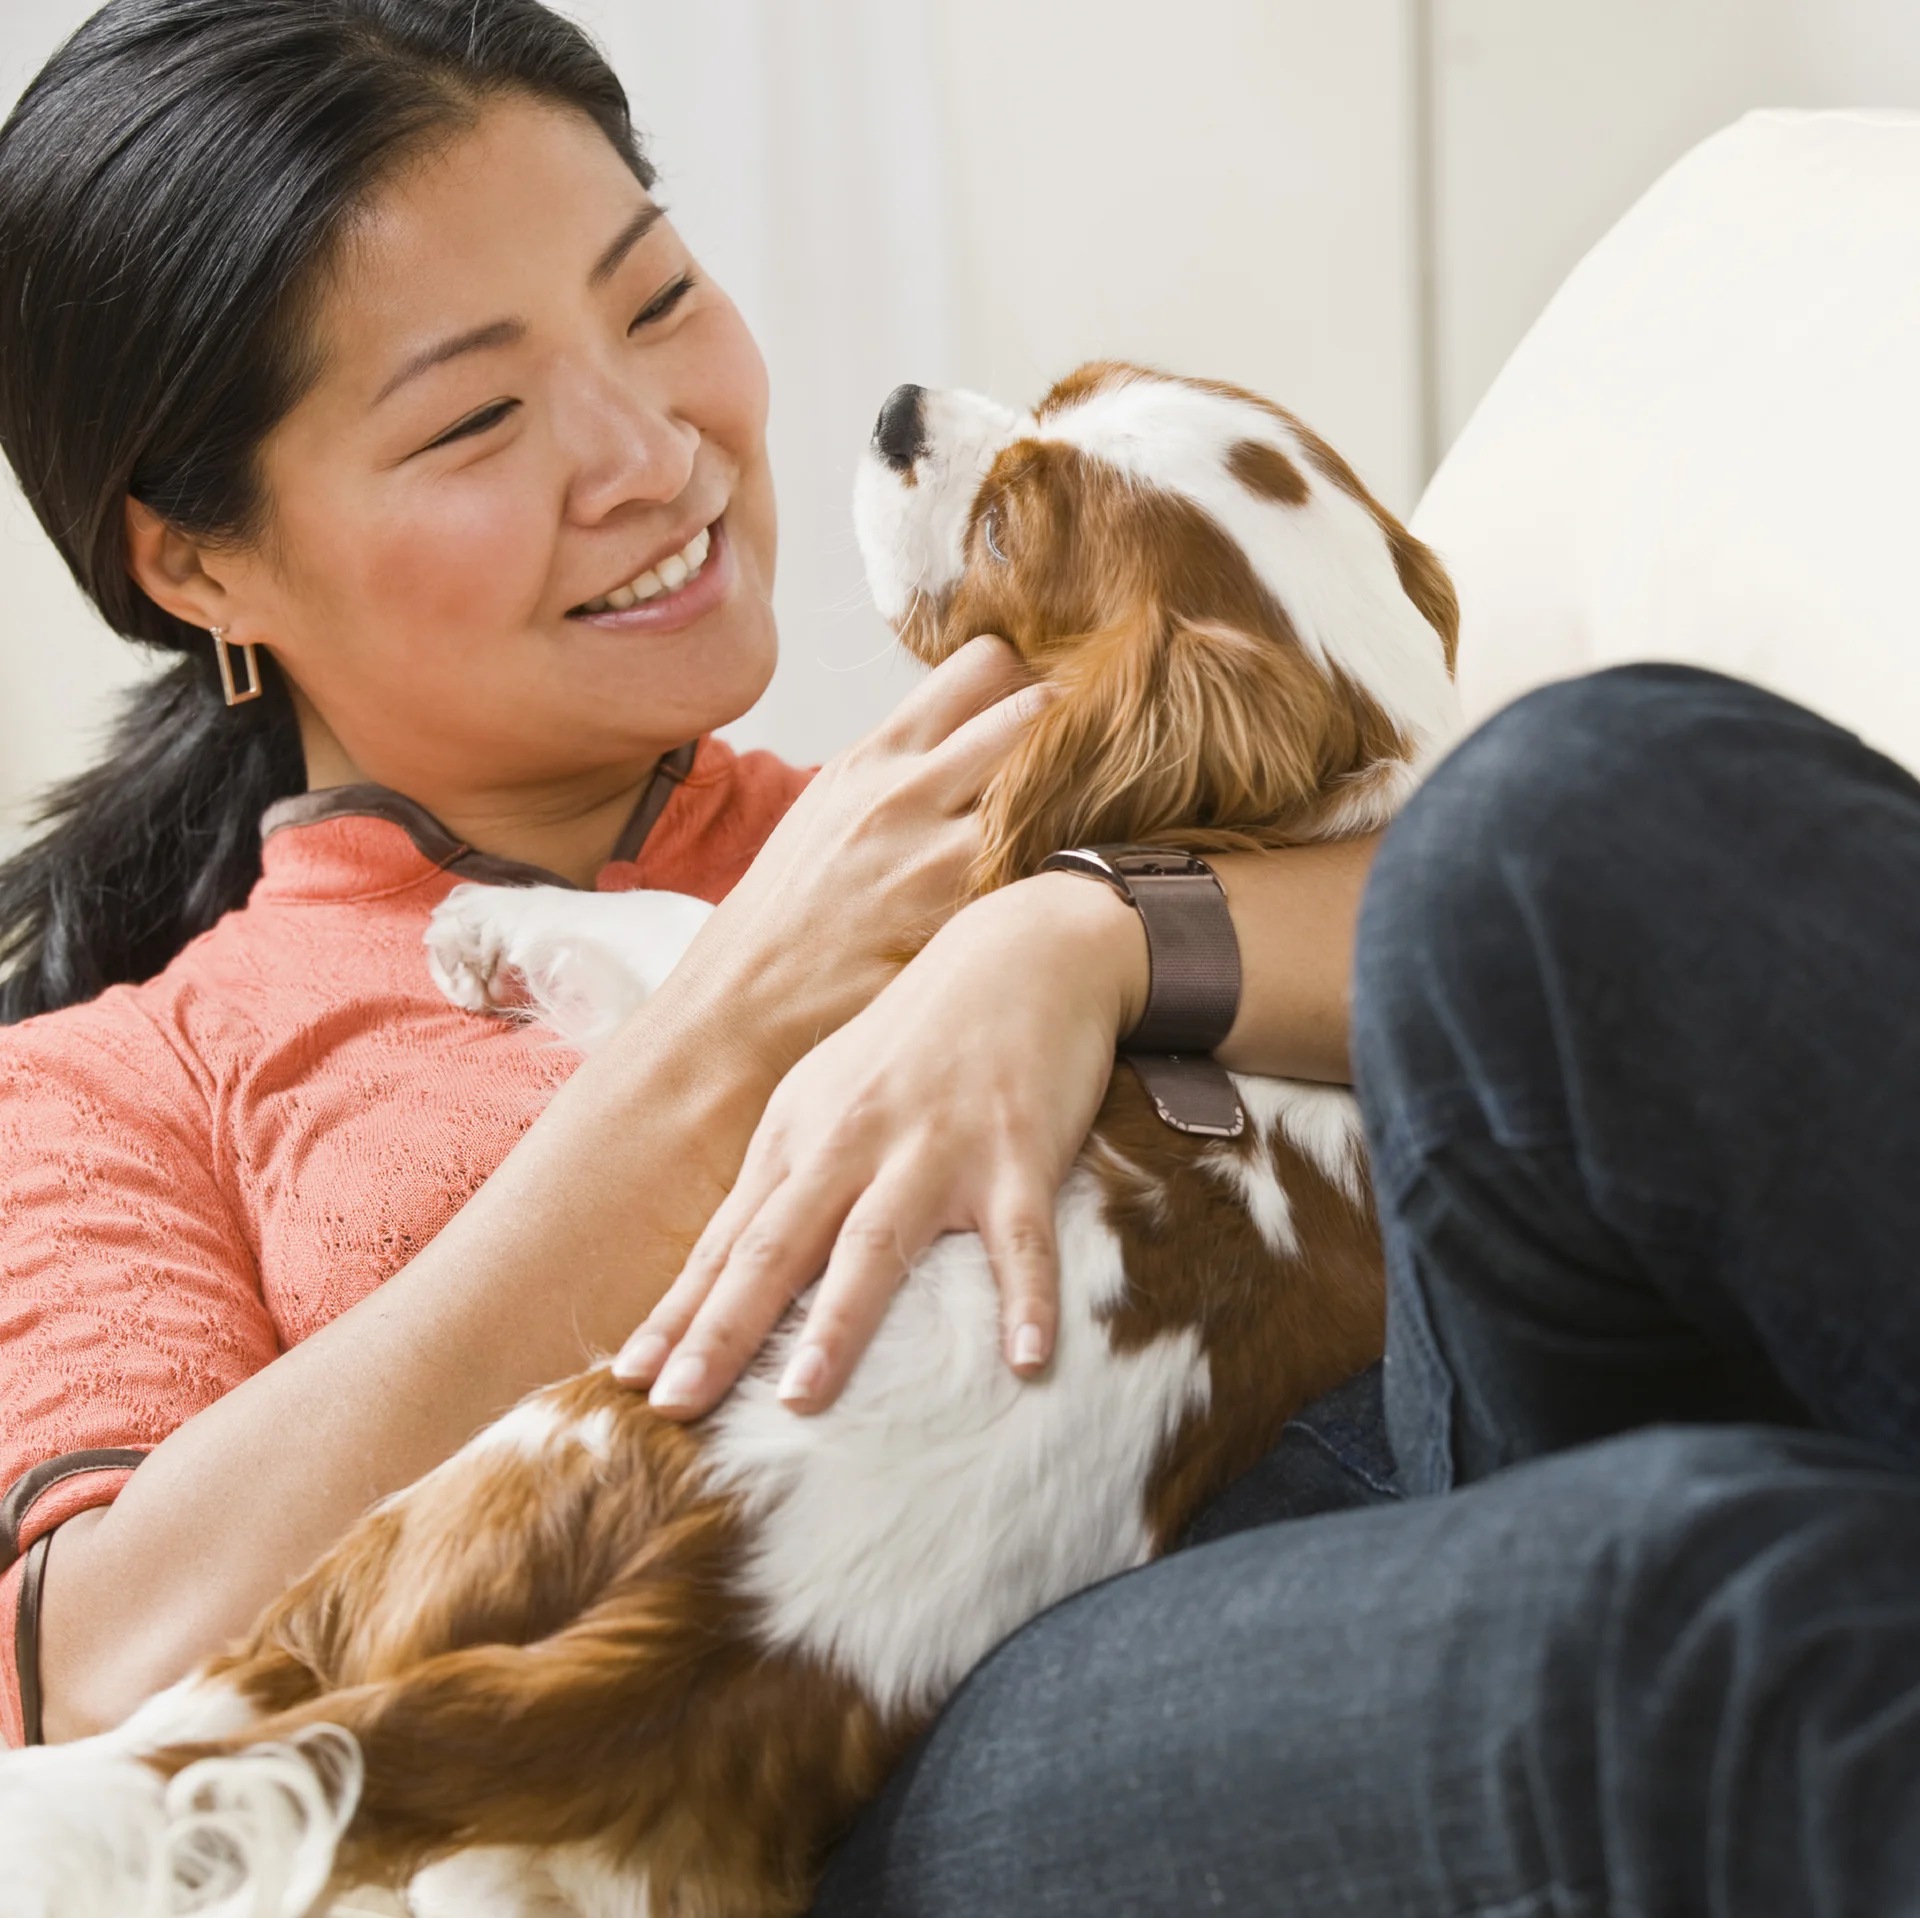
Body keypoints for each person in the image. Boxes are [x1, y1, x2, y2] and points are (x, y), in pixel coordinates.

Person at [0, 0, 1372, 1755]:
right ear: (200, 564)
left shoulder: (947, 810)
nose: (656, 456)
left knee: (1612, 781)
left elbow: (1516, 930)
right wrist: (727, 1028)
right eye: (475, 418)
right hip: (849, 1773)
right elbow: (101, 1673)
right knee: (1645, 1604)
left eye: (655, 301)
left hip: (1366, 1495)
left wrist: (1073, 938)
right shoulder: (118, 1084)